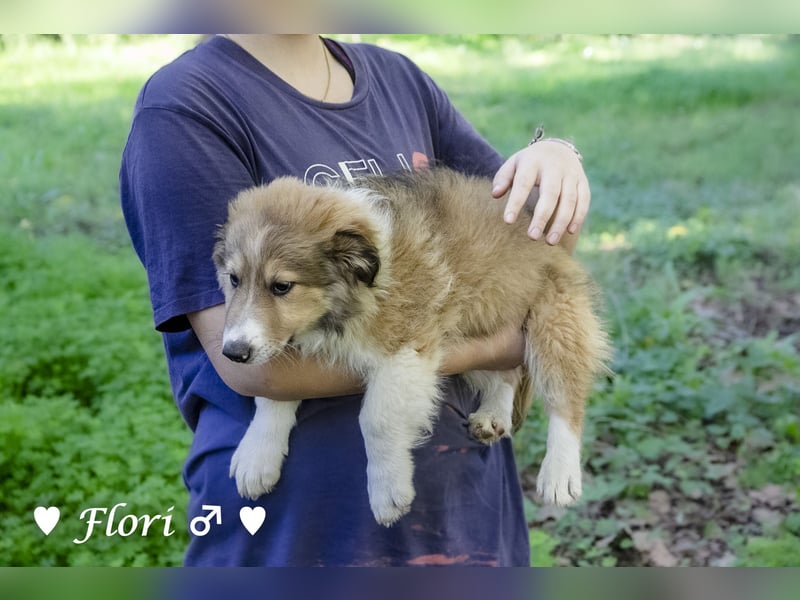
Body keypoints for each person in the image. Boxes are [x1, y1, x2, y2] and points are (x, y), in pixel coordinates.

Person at [120, 34, 590, 566]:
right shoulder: (186, 106)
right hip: (305, 524)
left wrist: (556, 159)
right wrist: (496, 348)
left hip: (463, 505)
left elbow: (536, 246)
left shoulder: (398, 79)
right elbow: (253, 368)